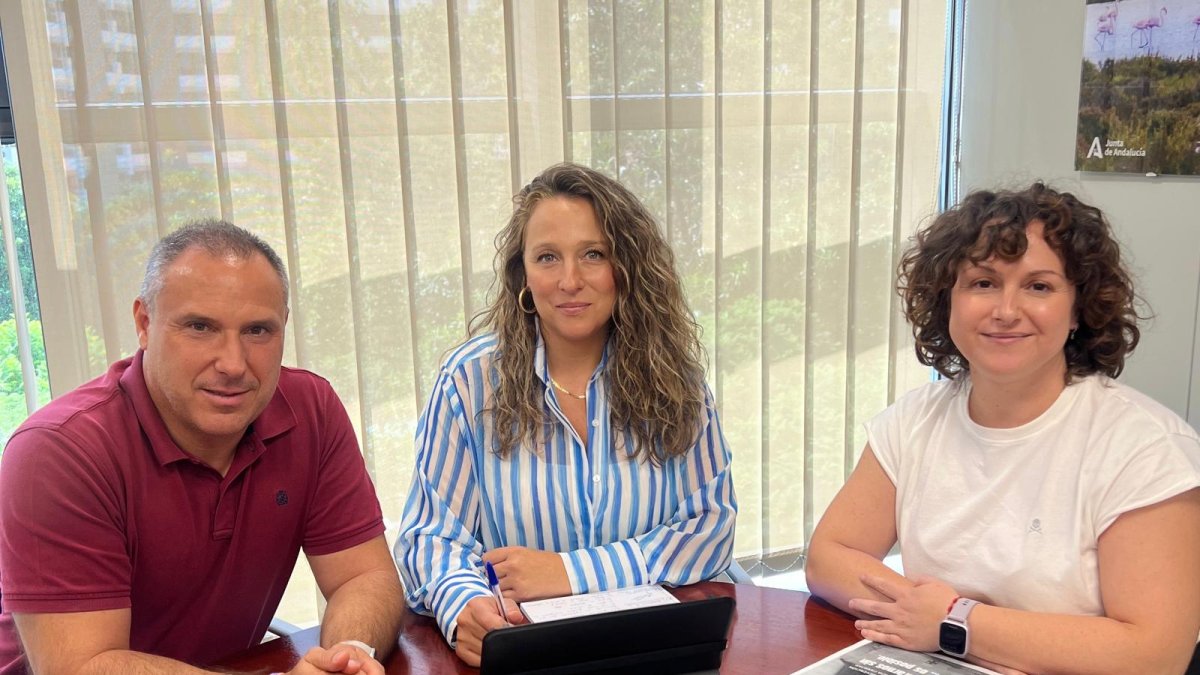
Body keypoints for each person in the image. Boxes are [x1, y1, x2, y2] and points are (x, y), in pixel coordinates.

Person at [805, 183, 1200, 674]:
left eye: (1039, 287)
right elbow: (829, 558)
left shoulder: (1146, 449)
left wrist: (953, 623)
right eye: (983, 283)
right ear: (947, 300)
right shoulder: (914, 420)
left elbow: (1153, 654)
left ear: (1078, 309)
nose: (1006, 311)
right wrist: (922, 614)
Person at [0, 221, 404, 674]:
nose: (233, 364)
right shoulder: (58, 451)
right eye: (199, 326)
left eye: (257, 330)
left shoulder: (310, 409)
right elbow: (81, 666)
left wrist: (349, 656)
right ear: (144, 324)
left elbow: (365, 575)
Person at [394, 162, 737, 666]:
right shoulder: (469, 381)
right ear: (523, 275)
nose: (569, 281)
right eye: (547, 257)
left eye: (593, 254)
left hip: (657, 648)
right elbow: (430, 539)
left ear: (626, 268)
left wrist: (571, 573)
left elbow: (710, 527)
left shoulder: (676, 380)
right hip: (529, 652)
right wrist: (463, 604)